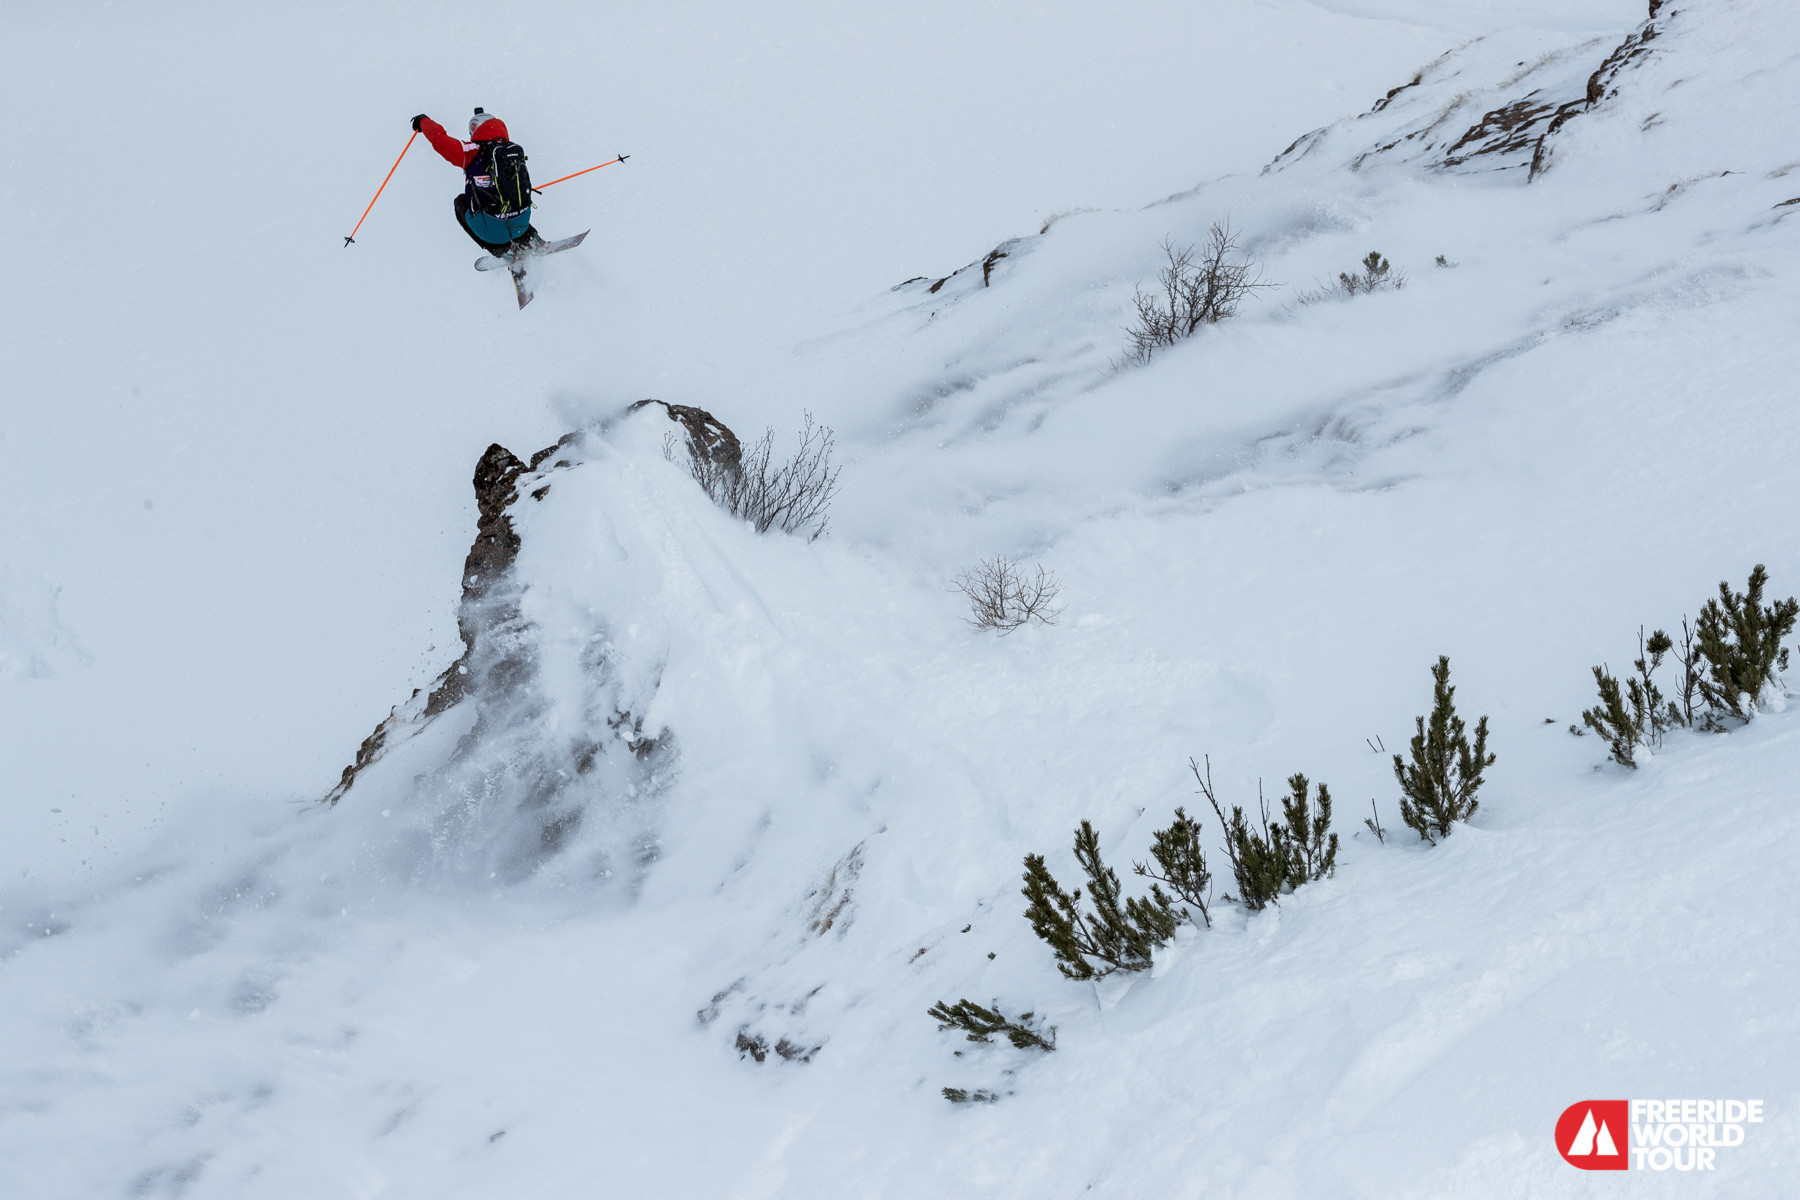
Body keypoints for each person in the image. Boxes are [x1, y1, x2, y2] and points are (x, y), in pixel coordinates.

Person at [411, 109, 543, 257]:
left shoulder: (471, 151)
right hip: (522, 225)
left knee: (460, 202)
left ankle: (502, 251)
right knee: (510, 202)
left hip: (494, 233)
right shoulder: (513, 150)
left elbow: (440, 140)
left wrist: (423, 121)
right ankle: (532, 239)